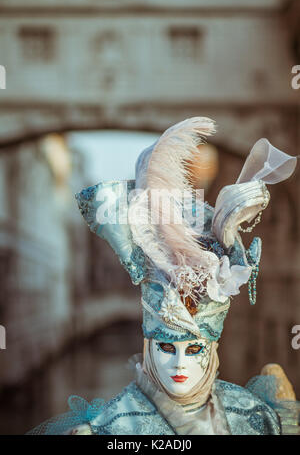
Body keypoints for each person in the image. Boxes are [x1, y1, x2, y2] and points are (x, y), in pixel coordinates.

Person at [29, 117, 299, 435]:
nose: (180, 365)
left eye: (194, 348)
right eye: (167, 348)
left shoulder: (259, 419)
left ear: (212, 349)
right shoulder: (111, 428)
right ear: (148, 346)